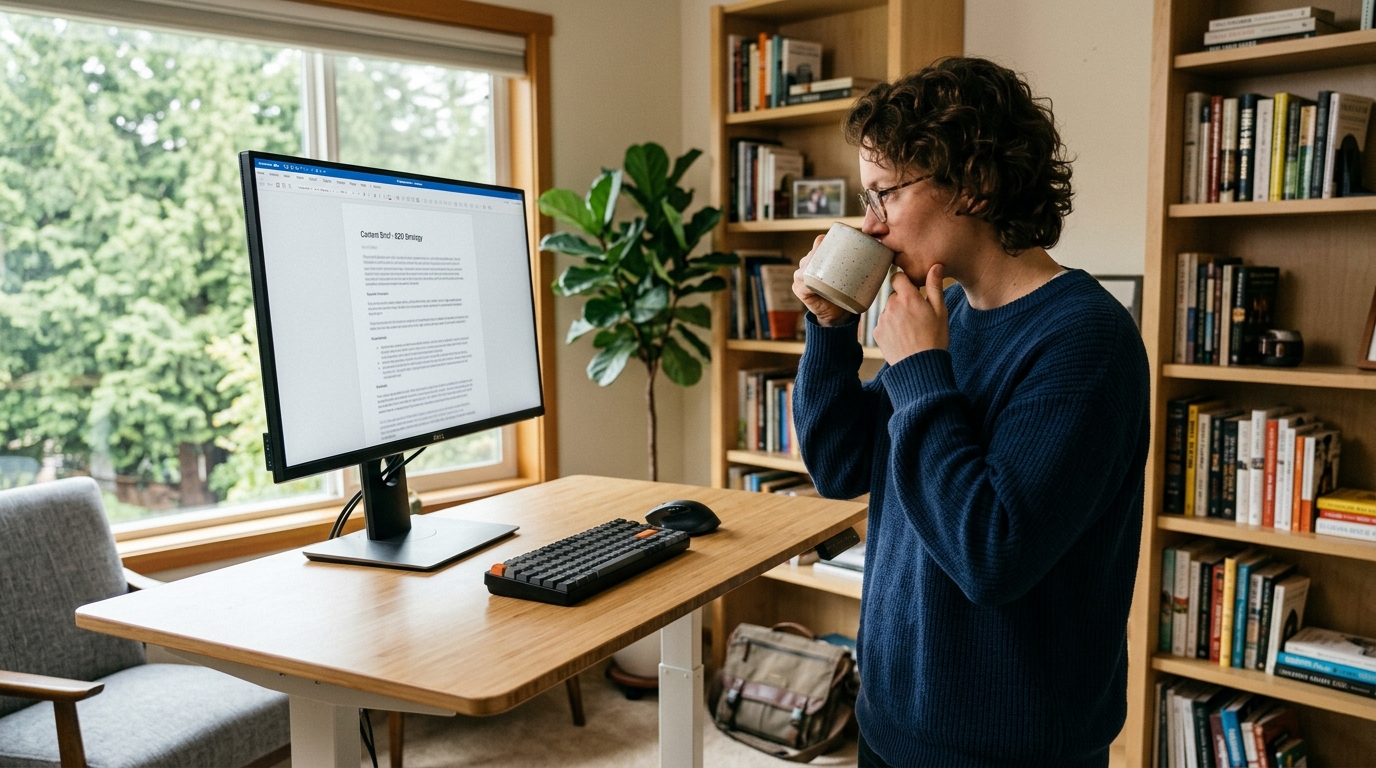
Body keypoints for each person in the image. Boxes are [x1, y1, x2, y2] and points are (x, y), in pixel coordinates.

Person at [790, 57, 1150, 767]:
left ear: (976, 185)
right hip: (892, 716)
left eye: (885, 194)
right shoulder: (946, 310)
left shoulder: (1087, 340)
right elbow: (838, 466)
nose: (869, 223)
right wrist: (831, 330)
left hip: (1009, 747)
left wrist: (922, 369)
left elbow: (991, 556)